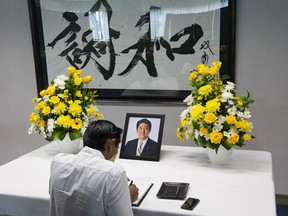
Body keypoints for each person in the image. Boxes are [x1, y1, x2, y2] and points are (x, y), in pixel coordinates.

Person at [49, 120, 139, 216]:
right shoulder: (115, 172)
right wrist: (126, 198)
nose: (116, 152)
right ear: (111, 144)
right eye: (117, 147)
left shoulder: (58, 162)